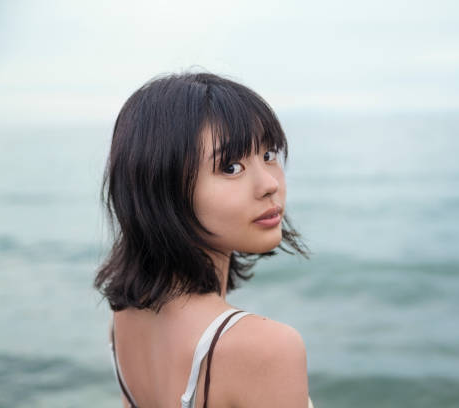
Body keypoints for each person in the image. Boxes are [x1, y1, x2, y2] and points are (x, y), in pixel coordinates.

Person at [94, 71, 314, 408]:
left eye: (269, 155)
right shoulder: (268, 348)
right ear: (164, 187)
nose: (269, 183)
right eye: (230, 167)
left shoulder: (124, 316)